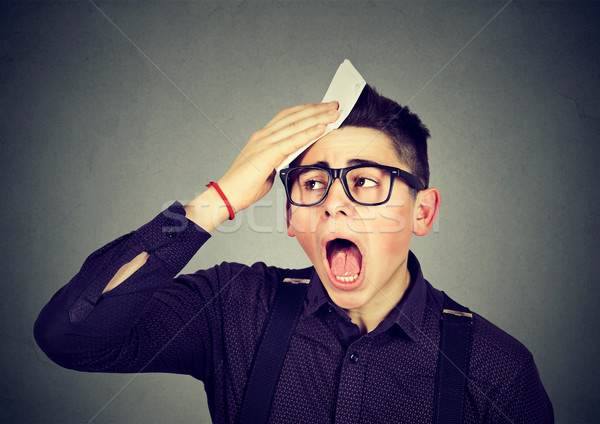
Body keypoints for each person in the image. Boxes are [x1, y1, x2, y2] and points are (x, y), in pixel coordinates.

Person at [34, 84, 553, 423]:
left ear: (422, 211)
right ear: (289, 217)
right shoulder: (233, 305)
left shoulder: (496, 369)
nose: (334, 204)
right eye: (313, 183)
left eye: (365, 182)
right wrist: (216, 200)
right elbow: (70, 335)